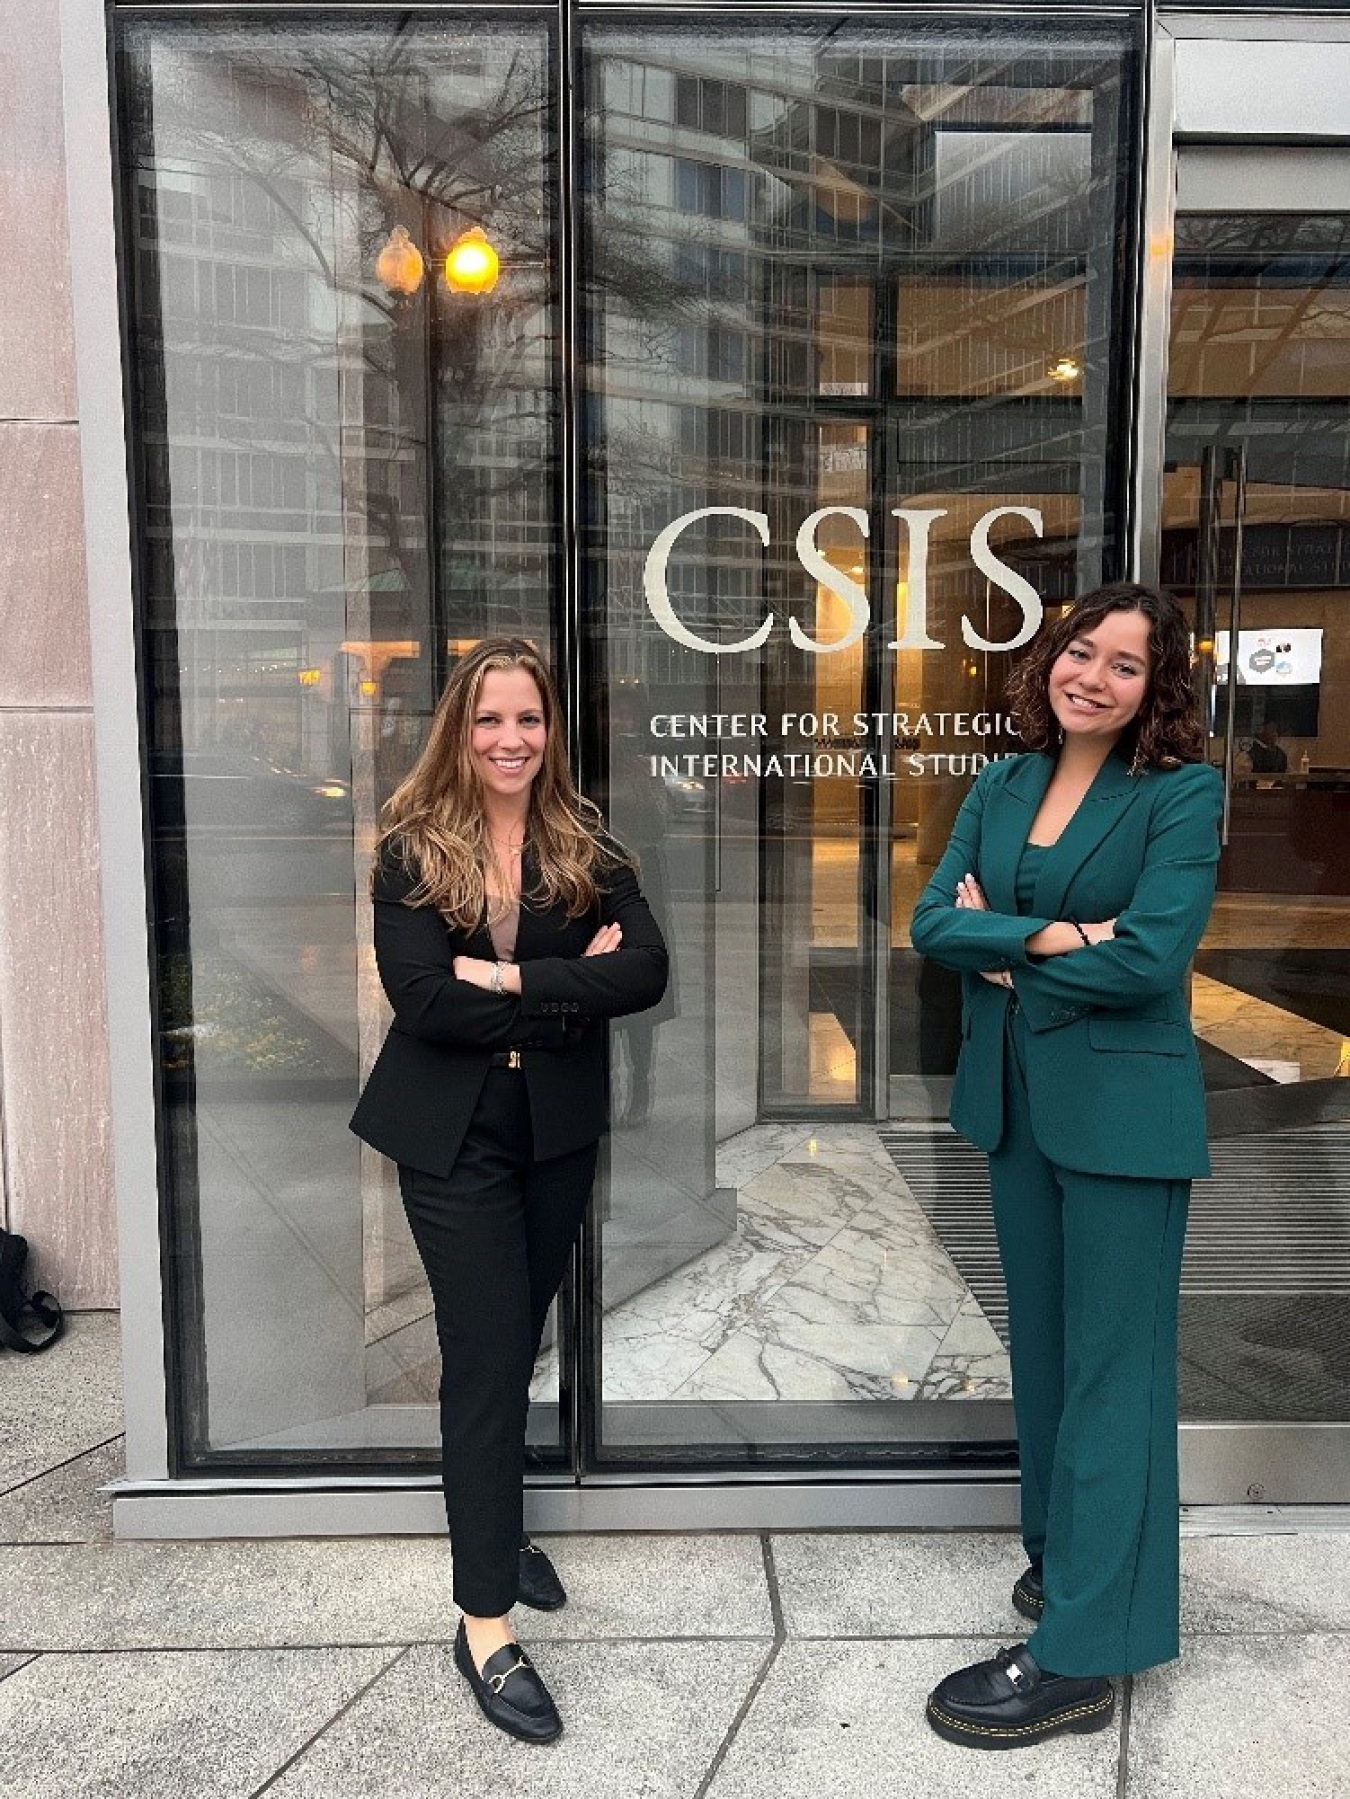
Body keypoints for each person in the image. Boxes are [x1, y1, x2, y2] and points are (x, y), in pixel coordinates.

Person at [910, 583, 1222, 1750]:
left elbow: (1152, 957)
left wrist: (1010, 950)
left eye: (1124, 664)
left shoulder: (1184, 793)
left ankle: (1084, 1656)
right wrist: (1054, 935)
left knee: (1112, 1371)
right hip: (1020, 1107)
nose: (1090, 675)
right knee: (1042, 1356)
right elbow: (934, 920)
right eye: (1078, 650)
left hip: (1123, 1119)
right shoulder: (1005, 780)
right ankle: (1067, 1564)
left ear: (1159, 686)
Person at [350, 637, 668, 1745]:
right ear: (459, 727)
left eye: (528, 718)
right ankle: (482, 1618)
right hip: (449, 1135)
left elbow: (649, 971)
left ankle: (496, 1516)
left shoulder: (589, 842)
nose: (509, 739)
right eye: (489, 719)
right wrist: (568, 993)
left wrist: (516, 974)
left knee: (512, 1338)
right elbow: (426, 1003)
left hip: (554, 1131)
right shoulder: (408, 847)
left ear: (552, 731)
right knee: (486, 1354)